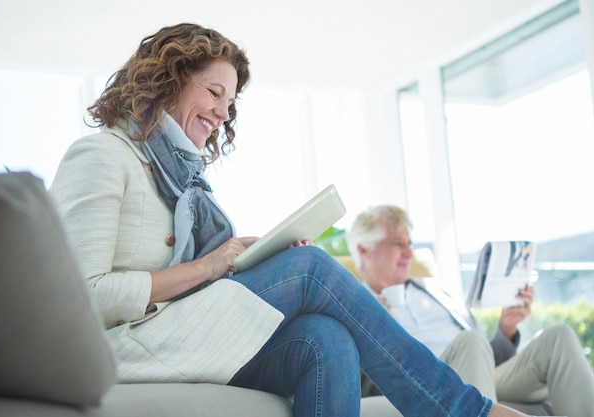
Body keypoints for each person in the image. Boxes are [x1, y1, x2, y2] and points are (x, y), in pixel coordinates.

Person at [49, 22, 533, 417]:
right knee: (311, 268)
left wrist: (250, 258)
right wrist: (208, 266)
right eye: (214, 92)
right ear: (169, 80)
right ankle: (464, 411)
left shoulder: (185, 179)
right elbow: (77, 300)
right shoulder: (100, 155)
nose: (222, 112)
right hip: (123, 347)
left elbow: (198, 283)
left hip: (180, 335)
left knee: (328, 340)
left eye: (230, 101)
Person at [347, 204, 594, 417]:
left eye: (409, 243)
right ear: (363, 249)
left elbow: (482, 358)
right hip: (425, 383)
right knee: (470, 341)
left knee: (558, 337)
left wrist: (506, 330)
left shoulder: (440, 292)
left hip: (477, 374)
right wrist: (381, 332)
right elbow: (353, 379)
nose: (409, 253)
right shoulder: (352, 305)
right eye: (398, 243)